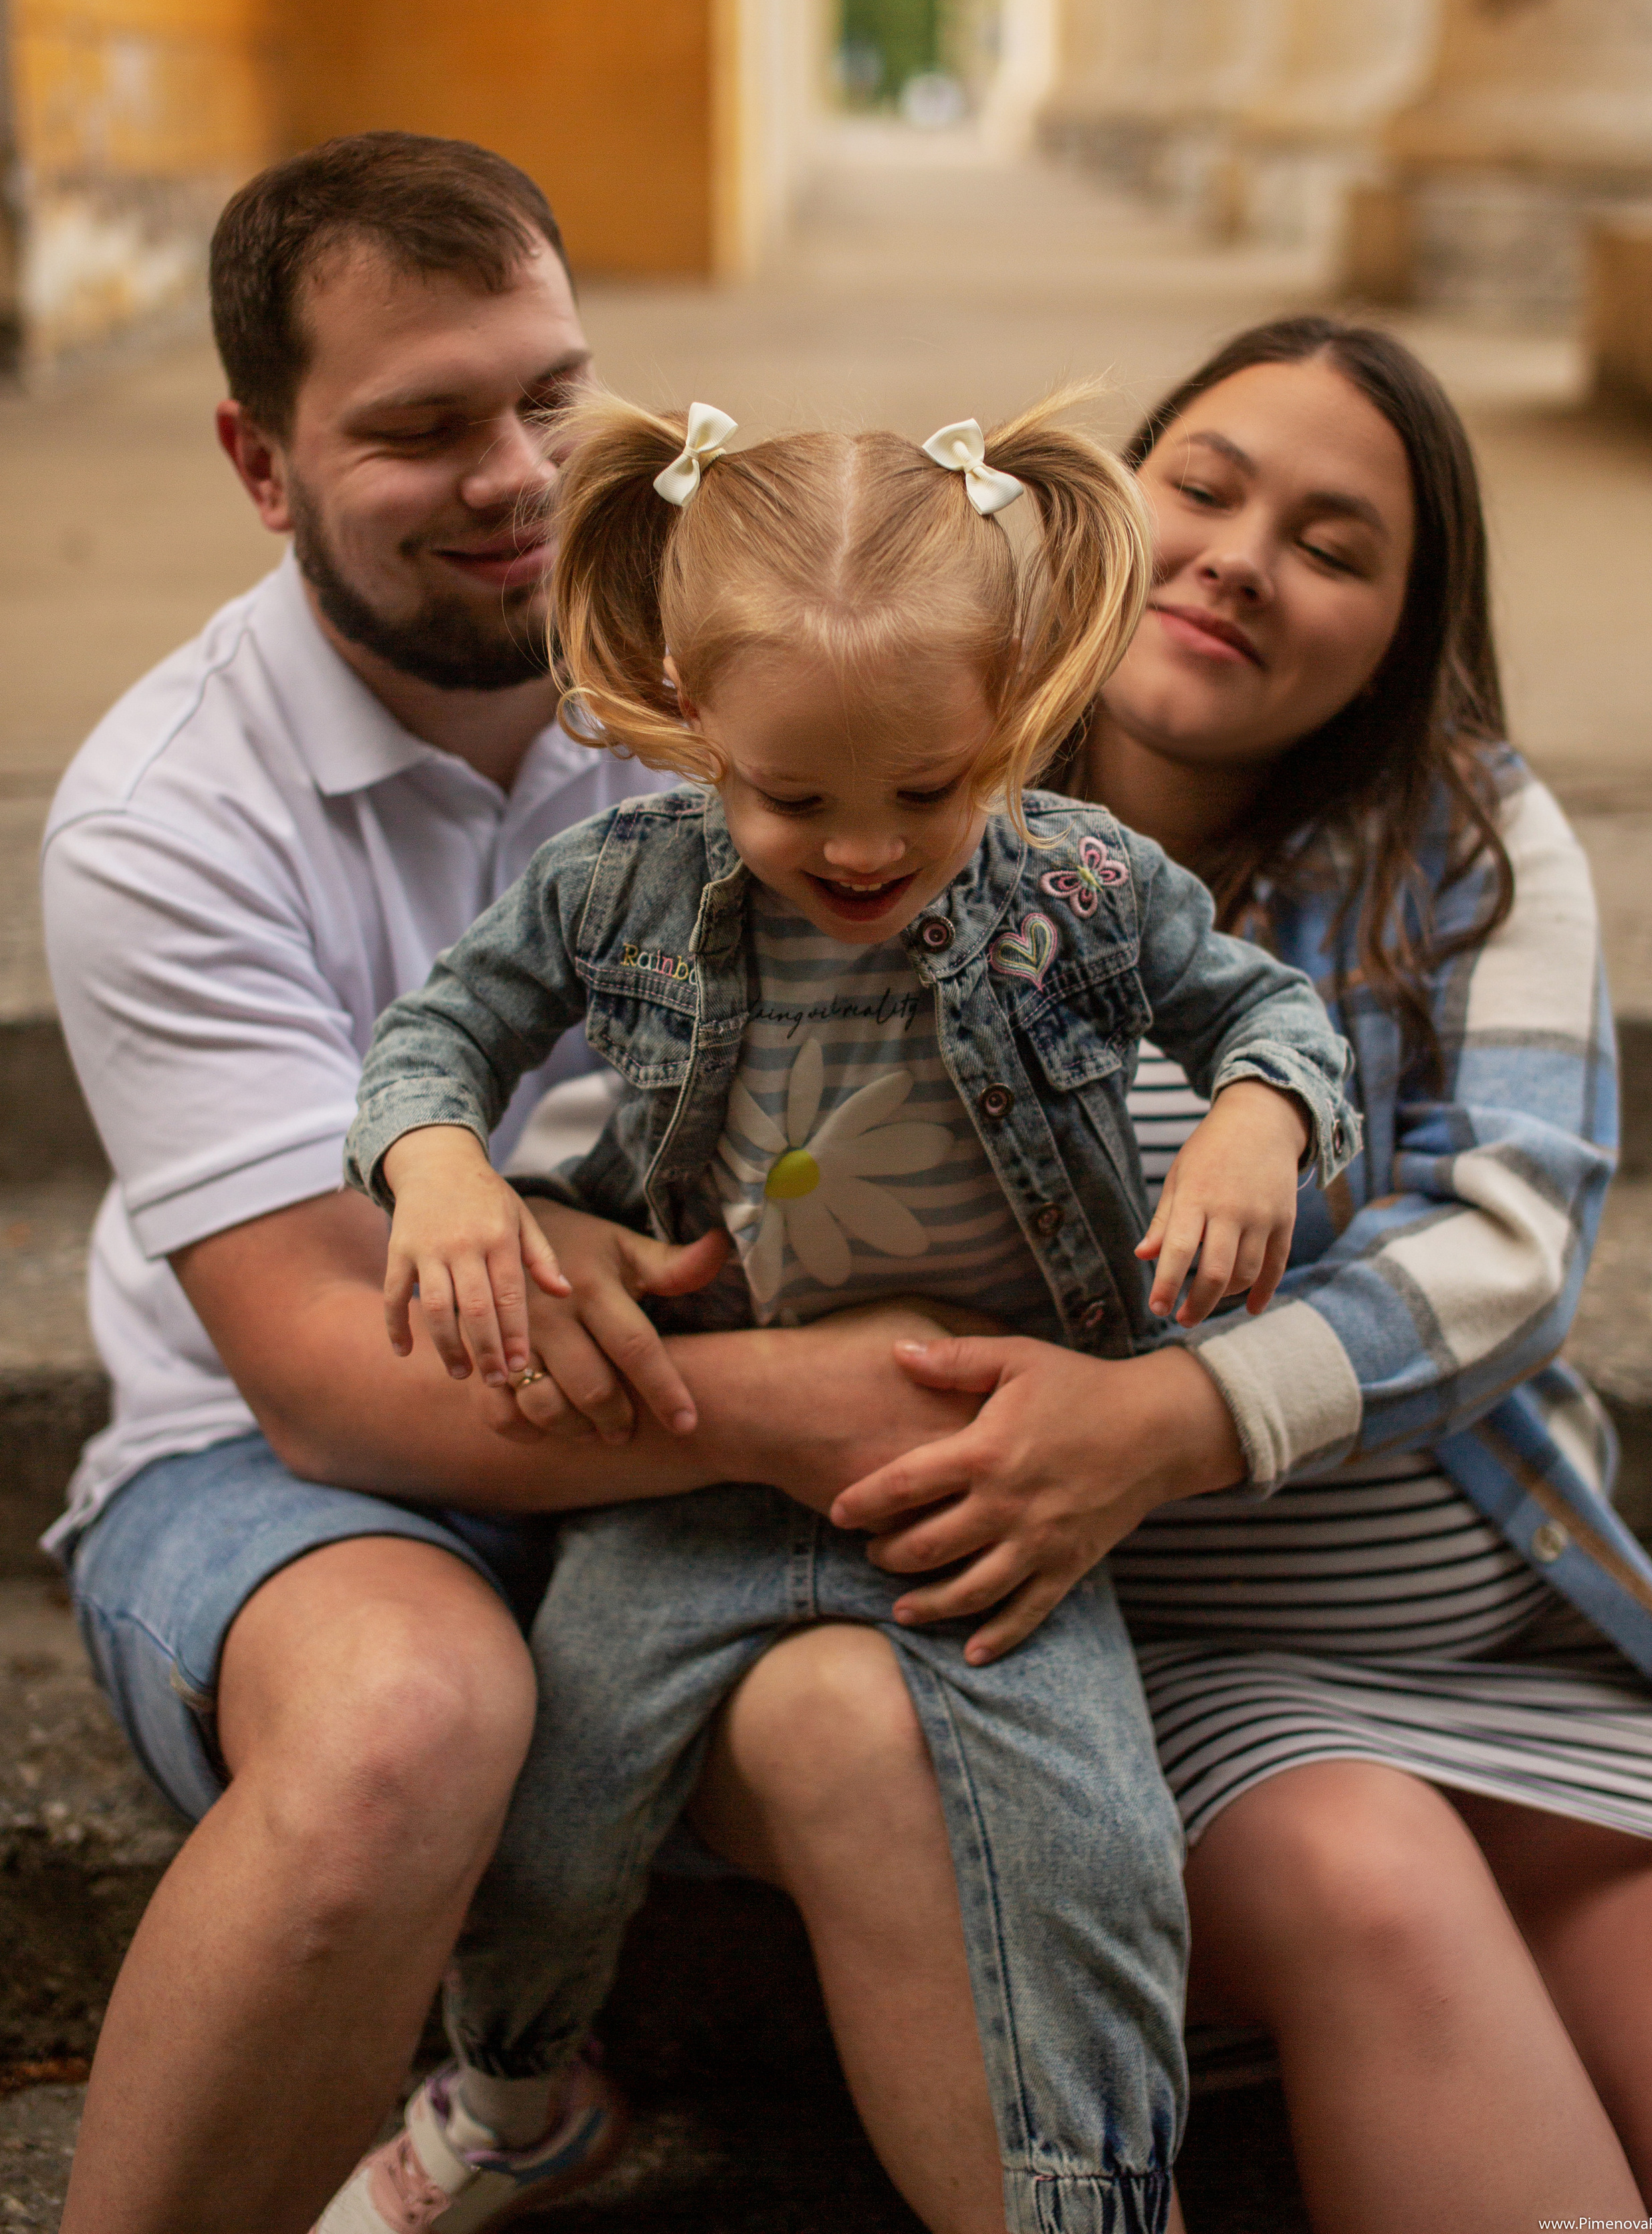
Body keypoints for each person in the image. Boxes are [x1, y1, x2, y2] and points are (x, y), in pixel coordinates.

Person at [42, 134, 1002, 2234]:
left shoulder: (740, 684)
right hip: (286, 1481)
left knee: (893, 1735)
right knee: (408, 1721)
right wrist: (802, 1404)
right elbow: (324, 1366)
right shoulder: (165, 818)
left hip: (675, 1453)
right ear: (262, 463)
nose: (516, 475)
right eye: (420, 428)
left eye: (550, 394)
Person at [687, 318, 1652, 2231]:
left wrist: (1173, 1417)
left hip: (1508, 1663)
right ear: (1100, 515)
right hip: (1146, 1682)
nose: (1244, 559)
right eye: (1207, 490)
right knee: (1368, 1868)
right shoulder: (884, 787)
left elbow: (1512, 1239)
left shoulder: (1464, 836)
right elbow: (659, 1128)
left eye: (1332, 546)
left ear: (1401, 630)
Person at [319, 384, 1359, 2234]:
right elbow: (435, 1038)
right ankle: (511, 2091)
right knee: (557, 1811)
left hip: (979, 1490)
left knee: (1098, 1850)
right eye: (794, 799)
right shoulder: (620, 887)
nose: (865, 849)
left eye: (928, 792)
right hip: (700, 1469)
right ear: (689, 712)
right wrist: (445, 1170)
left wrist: (1256, 1124)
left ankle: (1096, 2202)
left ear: (1010, 706)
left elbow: (1268, 1015)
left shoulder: (1085, 887)